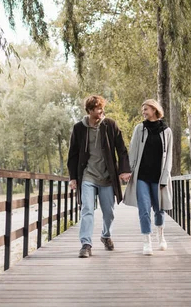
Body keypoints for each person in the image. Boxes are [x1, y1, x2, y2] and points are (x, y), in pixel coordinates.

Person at [67, 95, 131, 258]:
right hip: (88, 175)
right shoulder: (79, 128)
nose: (101, 111)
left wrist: (124, 170)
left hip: (108, 176)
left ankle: (106, 235)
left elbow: (121, 149)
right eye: (98, 108)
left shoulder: (110, 125)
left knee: (108, 212)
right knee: (87, 209)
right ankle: (86, 244)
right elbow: (73, 154)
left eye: (102, 108)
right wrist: (73, 177)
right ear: (89, 111)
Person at [123, 99, 173, 255]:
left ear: (154, 109)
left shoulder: (167, 131)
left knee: (159, 209)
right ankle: (147, 241)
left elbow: (169, 157)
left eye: (145, 109)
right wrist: (129, 171)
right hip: (142, 177)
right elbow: (133, 151)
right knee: (144, 209)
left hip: (159, 178)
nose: (143, 112)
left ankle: (161, 236)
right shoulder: (139, 129)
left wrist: (165, 178)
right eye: (142, 109)